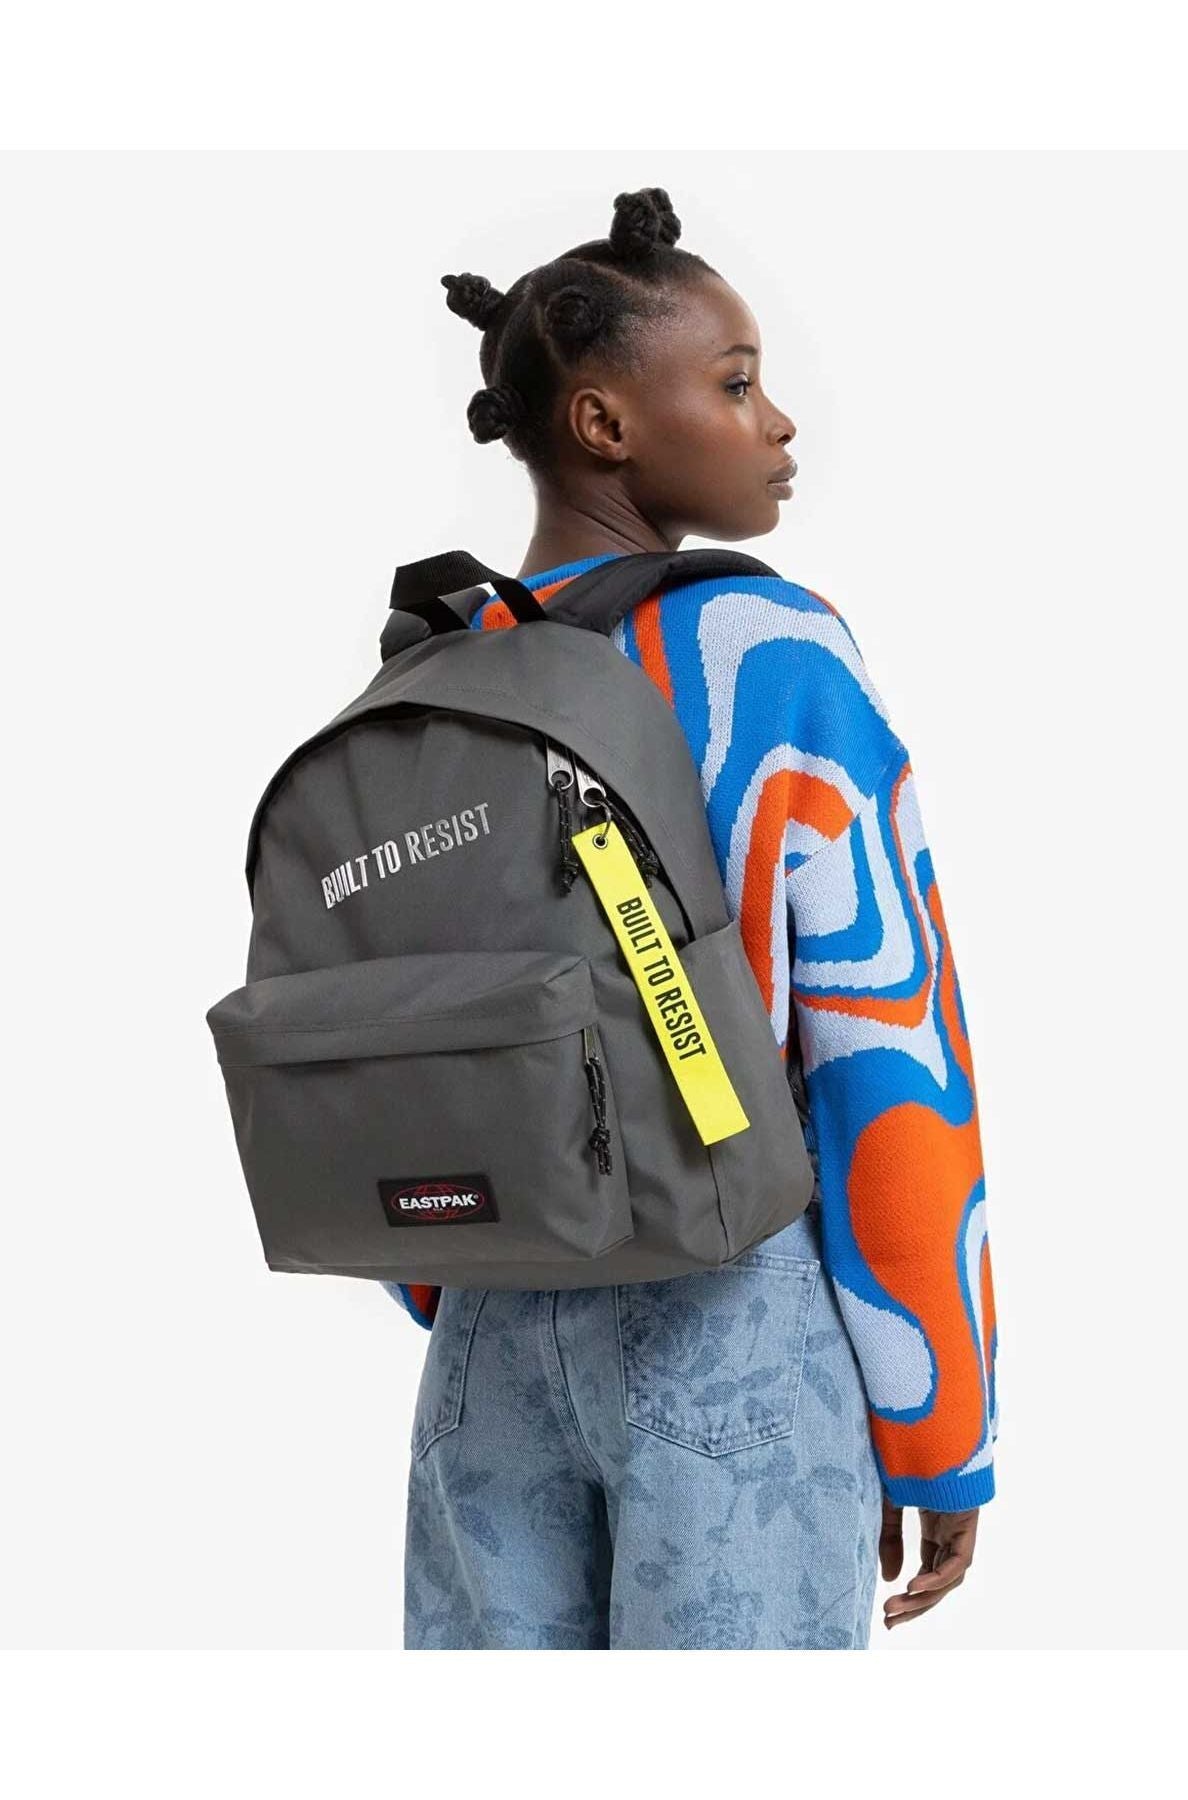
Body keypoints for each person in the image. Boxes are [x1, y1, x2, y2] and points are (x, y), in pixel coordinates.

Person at [383, 185, 999, 1650]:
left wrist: (456, 1270)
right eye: (733, 383)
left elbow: (403, 1011)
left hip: (485, 1330)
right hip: (731, 1316)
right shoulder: (767, 650)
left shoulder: (435, 662)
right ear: (604, 423)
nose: (777, 422)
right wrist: (939, 1423)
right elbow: (886, 1041)